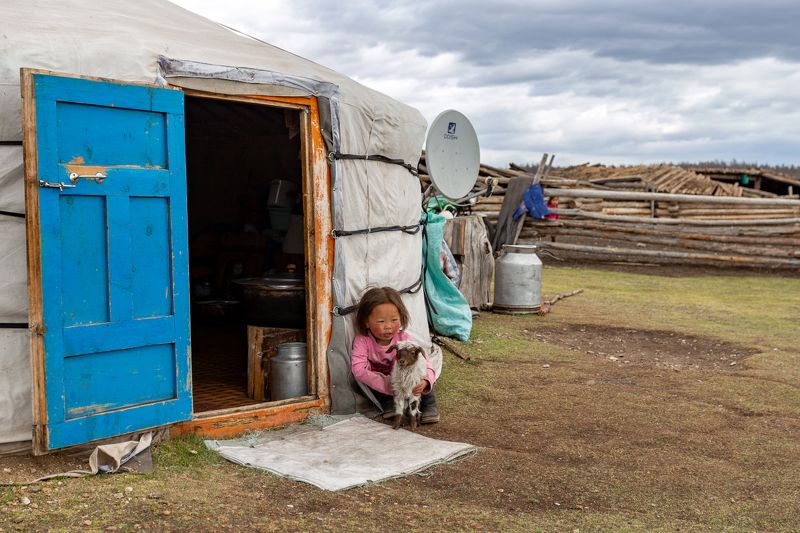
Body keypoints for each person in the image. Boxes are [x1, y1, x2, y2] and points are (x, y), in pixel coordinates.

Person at [351, 287, 439, 424]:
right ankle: (390, 405)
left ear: (401, 318)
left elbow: (425, 362)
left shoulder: (405, 339)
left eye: (394, 320)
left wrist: (426, 381)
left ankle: (429, 405)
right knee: (371, 386)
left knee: (422, 379)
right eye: (381, 321)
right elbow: (358, 370)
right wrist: (388, 384)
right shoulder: (362, 341)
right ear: (366, 322)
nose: (388, 326)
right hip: (383, 384)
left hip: (407, 379)